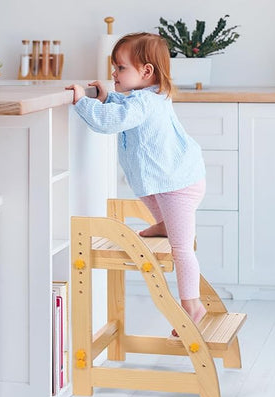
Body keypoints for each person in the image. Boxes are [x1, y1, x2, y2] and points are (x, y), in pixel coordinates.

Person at [66, 32, 207, 335]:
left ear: (146, 72)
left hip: (178, 184)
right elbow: (125, 107)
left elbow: (111, 121)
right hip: (168, 181)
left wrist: (82, 102)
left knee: (182, 249)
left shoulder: (145, 103)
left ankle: (193, 306)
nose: (114, 74)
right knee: (146, 192)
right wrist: (107, 96)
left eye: (120, 68)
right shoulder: (149, 96)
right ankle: (163, 223)